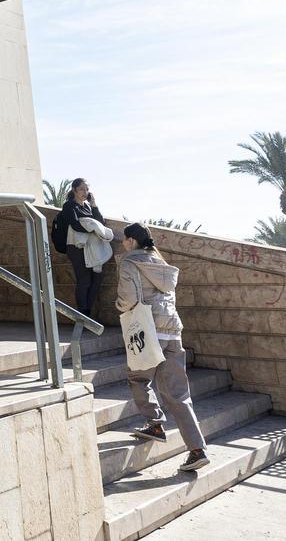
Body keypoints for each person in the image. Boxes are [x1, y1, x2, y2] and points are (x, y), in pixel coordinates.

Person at [116, 223, 209, 472]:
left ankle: (155, 423)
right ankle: (197, 449)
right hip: (173, 331)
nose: (123, 244)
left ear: (132, 241)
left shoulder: (129, 263)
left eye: (125, 240)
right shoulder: (163, 265)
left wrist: (119, 306)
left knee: (138, 378)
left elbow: (128, 300)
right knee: (178, 393)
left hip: (147, 331)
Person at [61, 178, 106, 318]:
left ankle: (87, 313)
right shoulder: (69, 206)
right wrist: (93, 229)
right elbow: (75, 225)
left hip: (92, 247)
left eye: (87, 189)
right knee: (84, 280)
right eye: (81, 189)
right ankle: (83, 314)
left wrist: (94, 205)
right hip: (76, 247)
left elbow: (101, 223)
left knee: (96, 279)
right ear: (74, 190)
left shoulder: (88, 206)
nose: (85, 192)